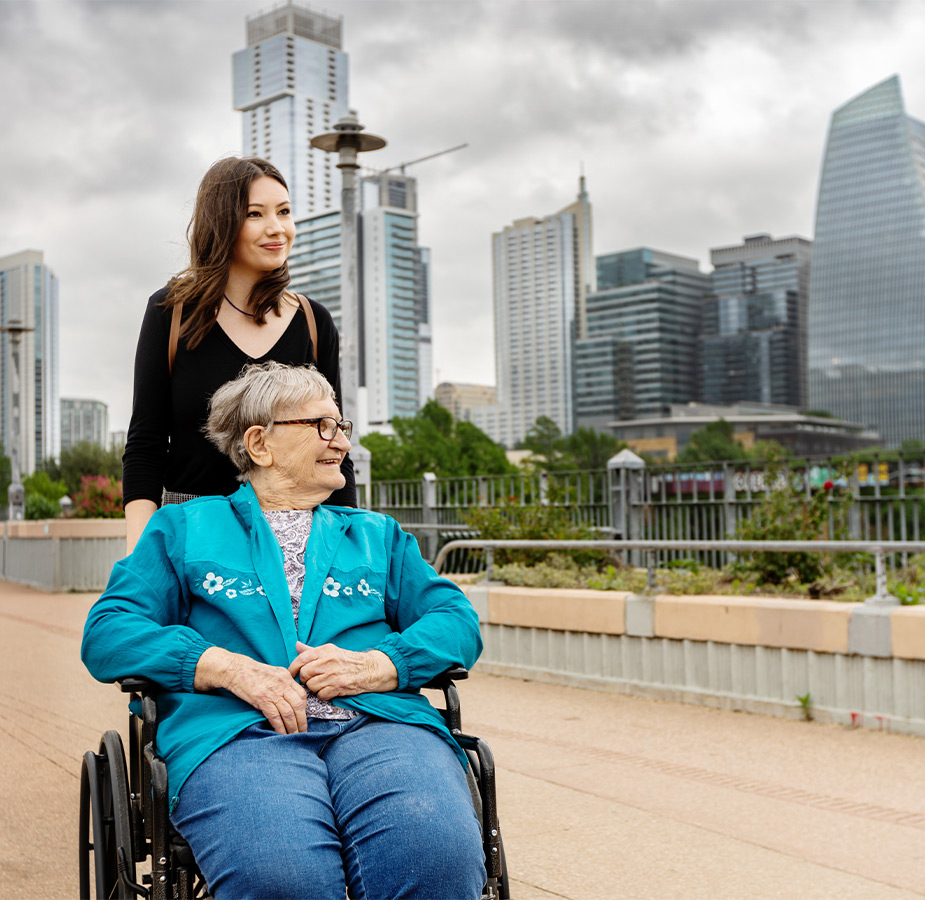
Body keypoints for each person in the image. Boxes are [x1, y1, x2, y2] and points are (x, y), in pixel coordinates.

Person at [82, 362, 485, 900]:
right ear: (260, 443)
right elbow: (108, 632)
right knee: (280, 878)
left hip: (381, 725)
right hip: (236, 733)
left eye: (342, 427)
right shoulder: (184, 528)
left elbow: (457, 621)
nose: (341, 442)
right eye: (322, 425)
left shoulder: (377, 536)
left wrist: (381, 664)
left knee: (436, 860)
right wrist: (224, 667)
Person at [122, 156, 355, 554]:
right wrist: (141, 558)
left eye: (284, 211)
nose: (277, 228)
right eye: (255, 214)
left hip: (296, 540)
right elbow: (145, 444)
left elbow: (332, 444)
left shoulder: (314, 323)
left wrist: (350, 548)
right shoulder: (170, 312)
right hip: (192, 535)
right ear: (222, 222)